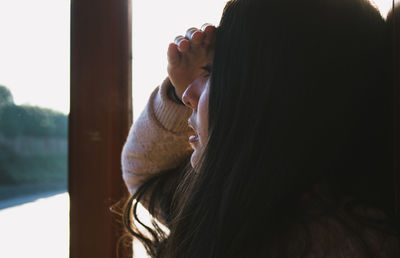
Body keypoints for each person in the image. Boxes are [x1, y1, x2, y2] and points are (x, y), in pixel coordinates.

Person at [121, 0, 400, 257]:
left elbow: (143, 171)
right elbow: (146, 174)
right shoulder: (301, 212)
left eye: (212, 73)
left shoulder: (253, 226)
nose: (186, 95)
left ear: (268, 97)